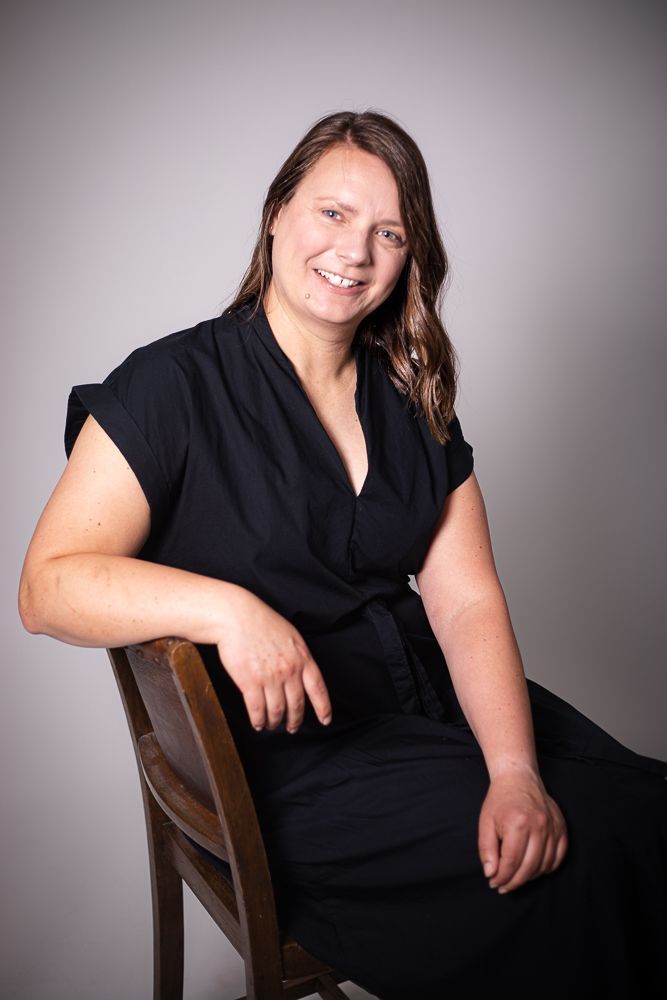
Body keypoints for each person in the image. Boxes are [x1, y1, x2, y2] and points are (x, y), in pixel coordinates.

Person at [18, 110, 666, 1000]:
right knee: (588, 864)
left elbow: (465, 601)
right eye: (332, 213)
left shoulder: (412, 396)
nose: (354, 252)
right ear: (276, 214)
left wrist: (512, 771)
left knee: (646, 813)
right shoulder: (173, 383)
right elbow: (46, 587)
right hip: (297, 768)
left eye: (387, 233)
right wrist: (231, 610)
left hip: (438, 709)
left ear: (409, 257)